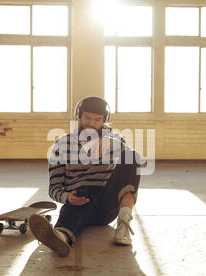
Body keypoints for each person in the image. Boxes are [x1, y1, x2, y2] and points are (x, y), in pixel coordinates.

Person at [28, 96, 141, 257]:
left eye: (97, 119)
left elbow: (137, 162)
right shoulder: (62, 144)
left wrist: (113, 144)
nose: (92, 123)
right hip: (78, 203)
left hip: (106, 207)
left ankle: (123, 226)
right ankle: (60, 237)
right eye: (87, 118)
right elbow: (54, 189)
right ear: (79, 117)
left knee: (131, 156)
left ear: (104, 120)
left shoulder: (114, 140)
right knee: (84, 191)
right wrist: (67, 197)